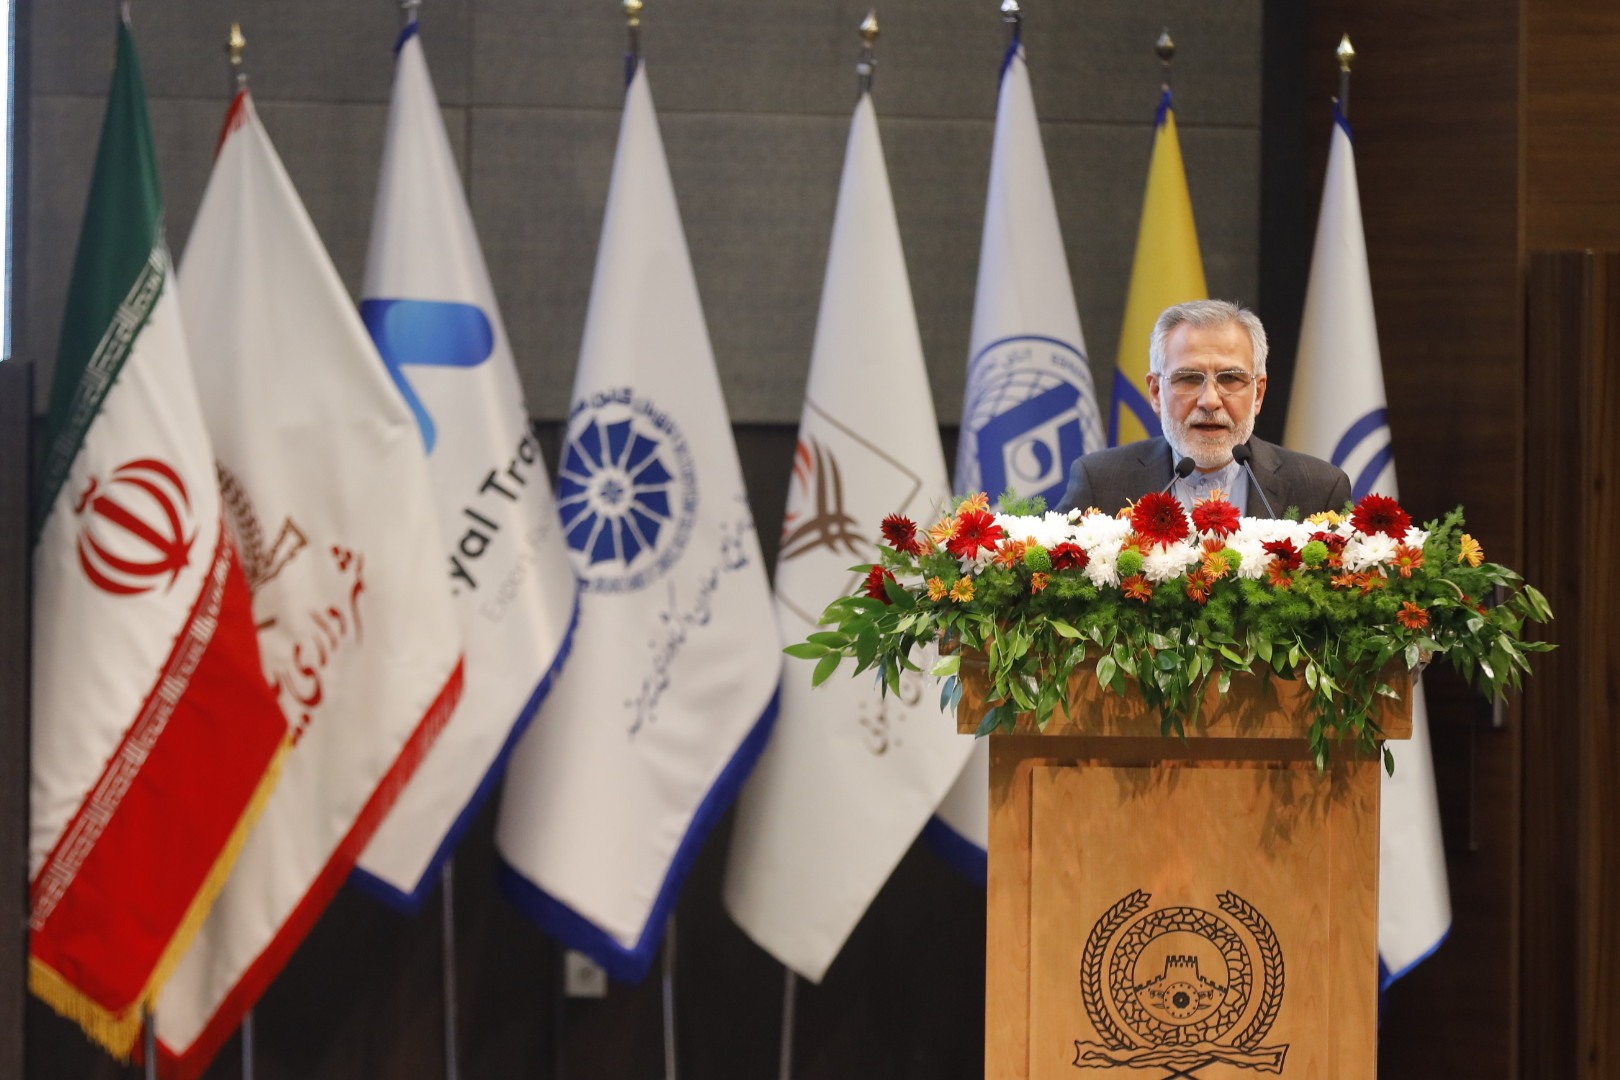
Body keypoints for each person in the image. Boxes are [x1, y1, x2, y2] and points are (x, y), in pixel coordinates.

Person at [1056, 299, 1351, 517]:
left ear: (1258, 394)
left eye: (1230, 378)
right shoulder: (1101, 483)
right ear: (1156, 392)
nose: (1210, 400)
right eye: (1188, 378)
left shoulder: (1318, 490)